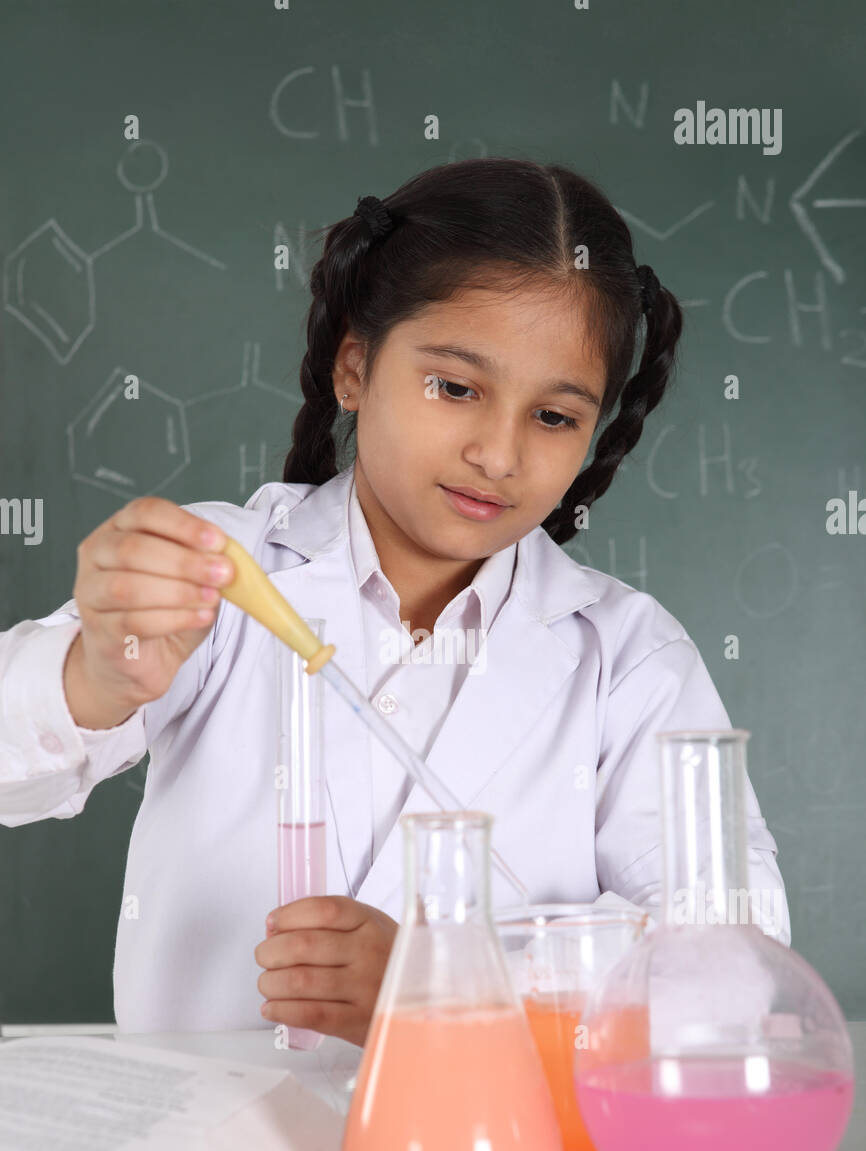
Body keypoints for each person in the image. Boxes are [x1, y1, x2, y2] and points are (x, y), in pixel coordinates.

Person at [0, 158, 790, 1046]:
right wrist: (95, 677)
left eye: (556, 416)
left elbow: (734, 958)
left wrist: (450, 985)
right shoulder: (221, 574)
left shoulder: (627, 659)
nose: (498, 453)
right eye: (455, 387)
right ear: (353, 366)